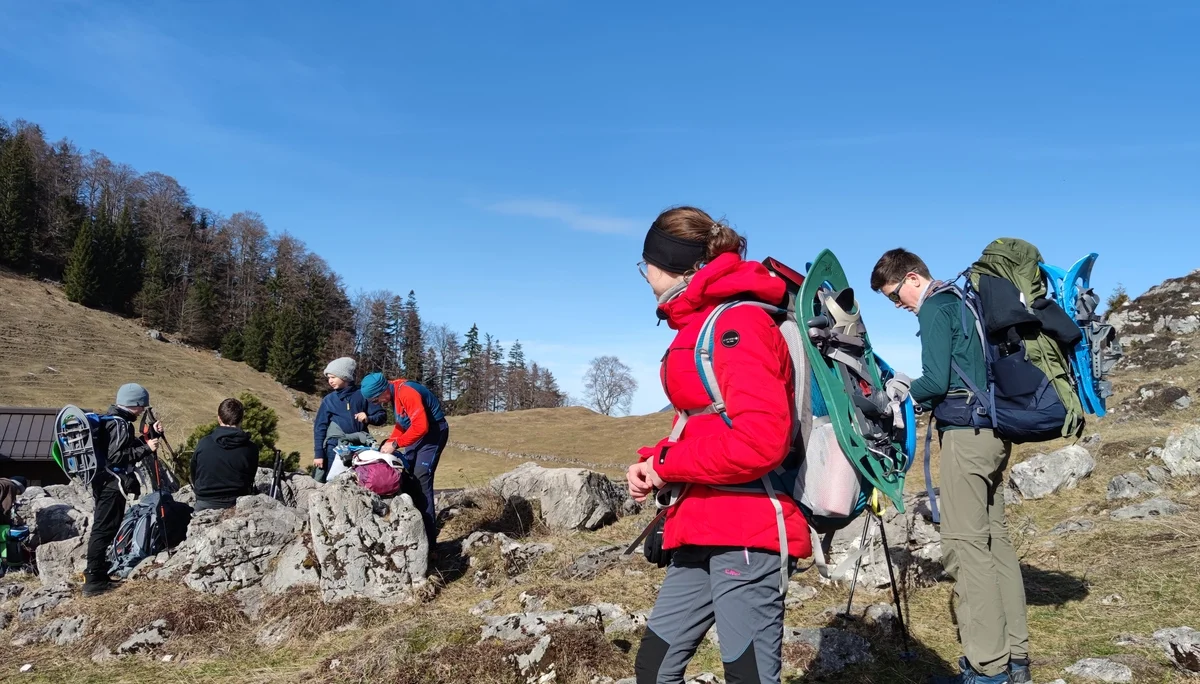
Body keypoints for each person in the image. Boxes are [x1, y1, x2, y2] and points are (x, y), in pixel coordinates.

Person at [627, 206, 811, 684]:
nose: (644, 274)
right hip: (698, 524)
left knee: (748, 677)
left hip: (747, 532)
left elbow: (761, 442)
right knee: (654, 669)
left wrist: (669, 464)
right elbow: (706, 421)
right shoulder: (704, 325)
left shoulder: (738, 325)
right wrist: (654, 461)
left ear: (665, 264)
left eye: (643, 262)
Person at [870, 248, 1029, 684]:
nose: (898, 306)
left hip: (965, 440)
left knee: (964, 549)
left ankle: (986, 668)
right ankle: (1016, 660)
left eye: (895, 295)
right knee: (996, 544)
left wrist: (898, 390)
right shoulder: (963, 301)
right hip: (995, 434)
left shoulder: (936, 307)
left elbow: (936, 381)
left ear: (914, 277)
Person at [84, 383, 160, 597]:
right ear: (134, 404)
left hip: (104, 481)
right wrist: (147, 449)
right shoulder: (120, 424)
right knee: (104, 529)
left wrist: (149, 436)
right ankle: (94, 580)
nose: (144, 410)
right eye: (142, 406)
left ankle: (98, 574)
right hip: (112, 483)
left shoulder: (114, 421)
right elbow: (116, 456)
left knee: (105, 527)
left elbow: (122, 447)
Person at [360, 372, 448, 548]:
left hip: (433, 433)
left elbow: (421, 426)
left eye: (376, 400)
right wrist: (390, 442)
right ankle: (414, 532)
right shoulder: (394, 394)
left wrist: (396, 443)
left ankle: (430, 545)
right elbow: (403, 424)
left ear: (383, 390)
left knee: (422, 479)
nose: (378, 404)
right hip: (417, 435)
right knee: (407, 476)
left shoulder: (407, 392)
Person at [312, 357, 386, 483]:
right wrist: (319, 454)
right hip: (334, 448)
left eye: (333, 377)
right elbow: (320, 427)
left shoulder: (363, 394)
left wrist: (368, 418)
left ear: (345, 377)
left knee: (357, 482)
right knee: (332, 482)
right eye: (328, 378)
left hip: (359, 447)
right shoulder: (329, 400)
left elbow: (382, 416)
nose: (330, 381)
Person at [190, 398, 259, 512]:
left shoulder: (204, 443)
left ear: (219, 418)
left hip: (205, 502)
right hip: (237, 503)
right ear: (241, 420)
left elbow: (194, 472)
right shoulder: (251, 448)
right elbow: (250, 477)